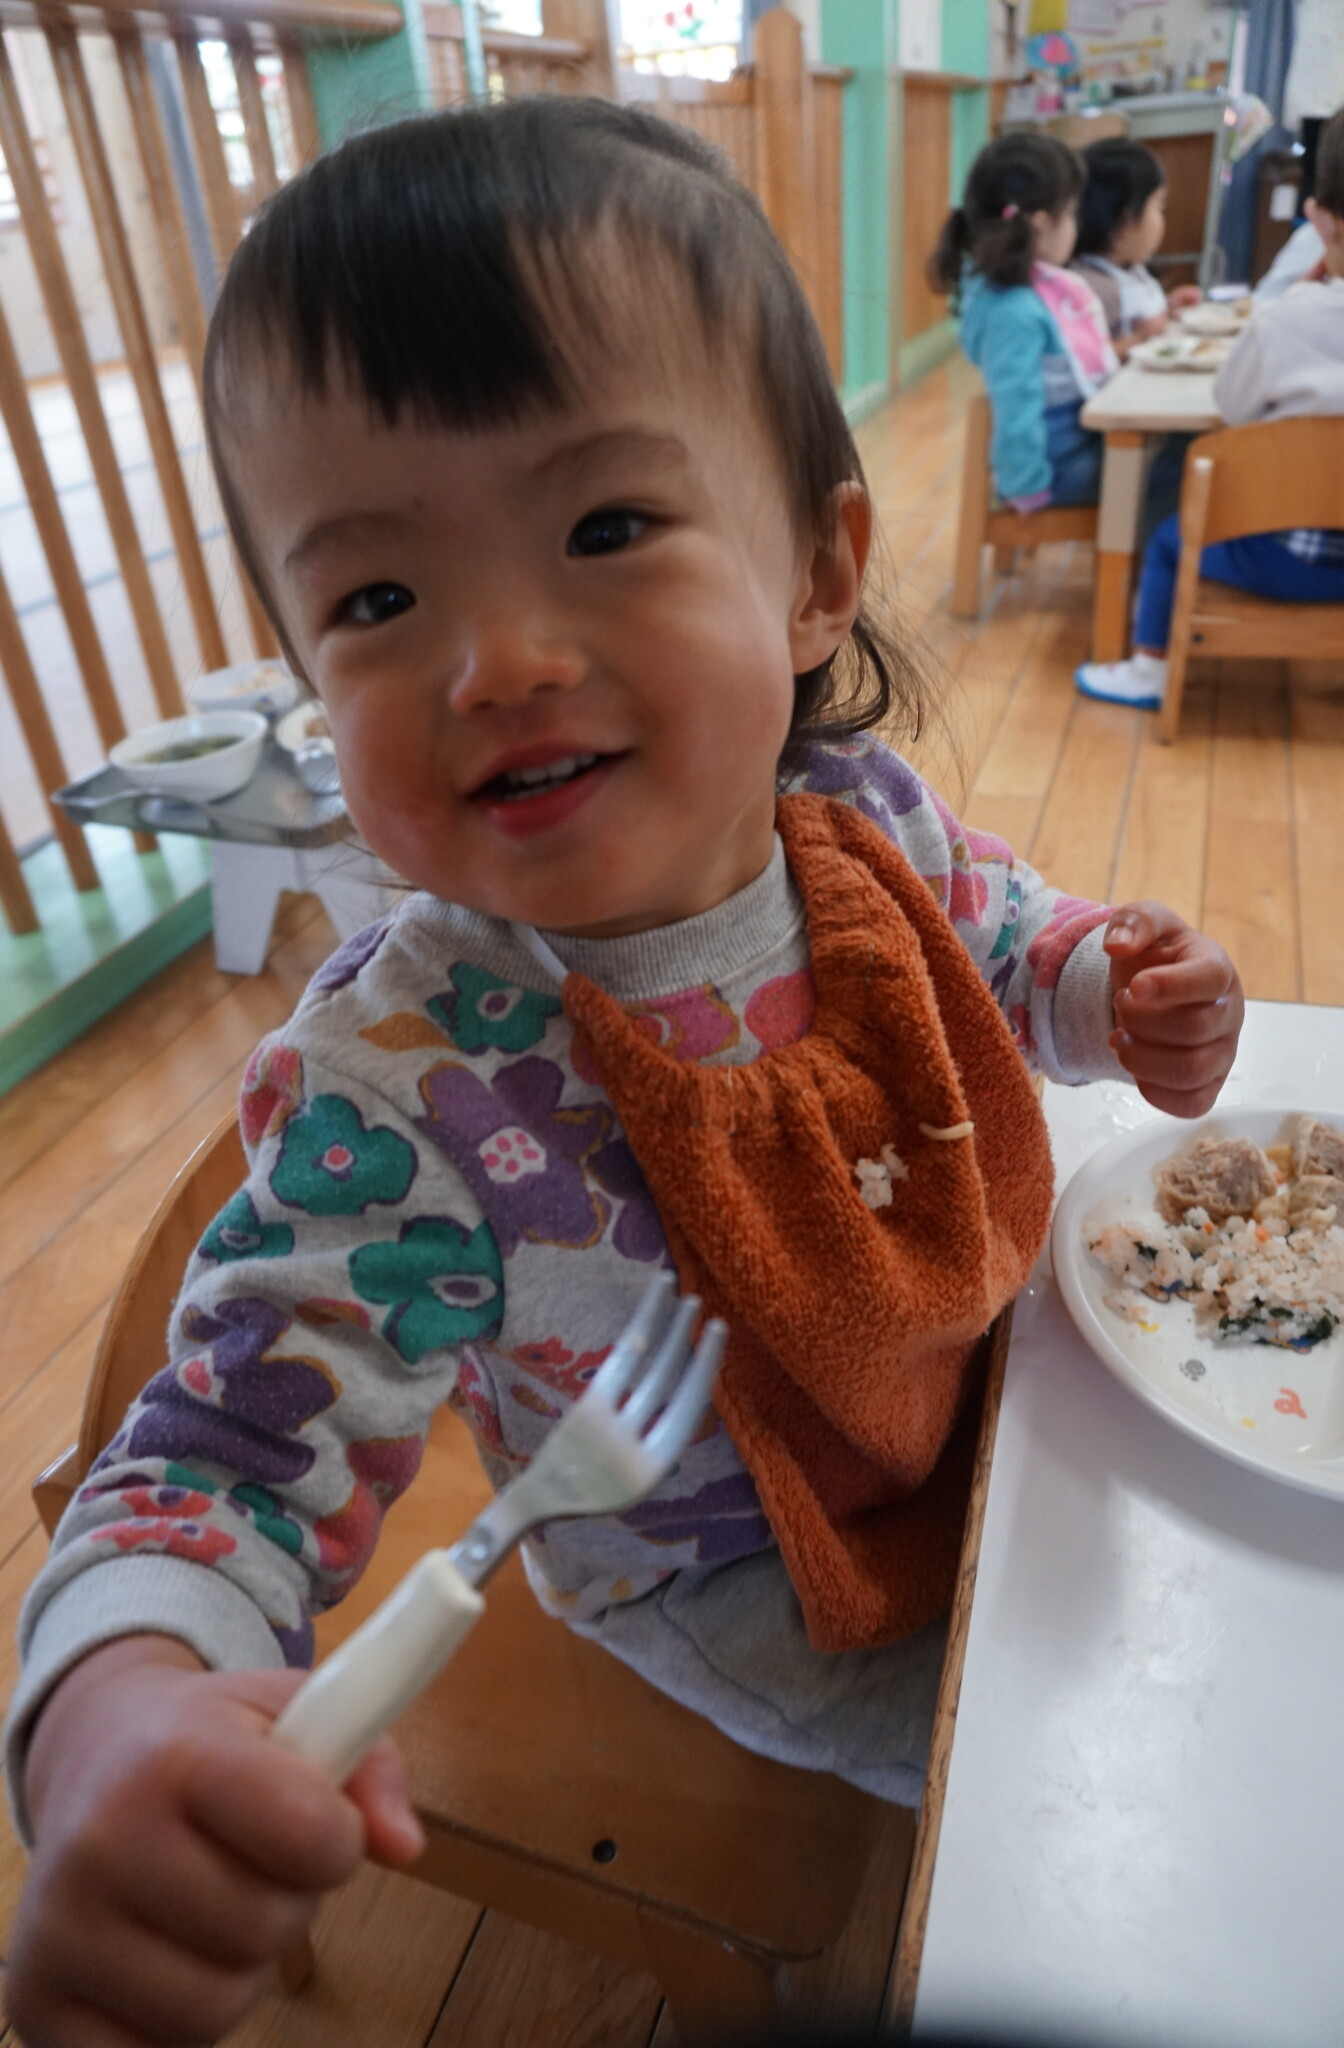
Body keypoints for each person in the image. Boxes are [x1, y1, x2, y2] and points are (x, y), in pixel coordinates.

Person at [4, 99, 1246, 2048]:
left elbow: (1002, 935)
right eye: (376, 600)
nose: (496, 658)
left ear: (816, 571)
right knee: (1074, 1774)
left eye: (601, 529)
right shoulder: (408, 1086)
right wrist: (115, 1702)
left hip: (962, 1383)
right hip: (716, 1564)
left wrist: (1109, 984)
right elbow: (219, 1453)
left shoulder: (861, 814)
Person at [1077, 86, 1344, 709]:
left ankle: (1148, 671)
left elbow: (1232, 408)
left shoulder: (1286, 318)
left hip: (1277, 554)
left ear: (1324, 222)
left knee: (1168, 539)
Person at [928, 131, 1118, 515]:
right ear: (1043, 224)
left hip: (1071, 447)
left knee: (1157, 463)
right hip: (1053, 468)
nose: (1075, 227)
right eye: (1071, 215)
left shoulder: (1021, 295)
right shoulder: (1013, 312)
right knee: (1158, 474)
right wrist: (1027, 487)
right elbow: (1016, 411)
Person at [1071, 136, 1202, 353]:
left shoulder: (1129, 270)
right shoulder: (1091, 288)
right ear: (1126, 223)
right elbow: (1085, 357)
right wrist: (1138, 338)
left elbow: (1141, 318)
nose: (1162, 218)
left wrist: (1169, 308)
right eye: (1159, 205)